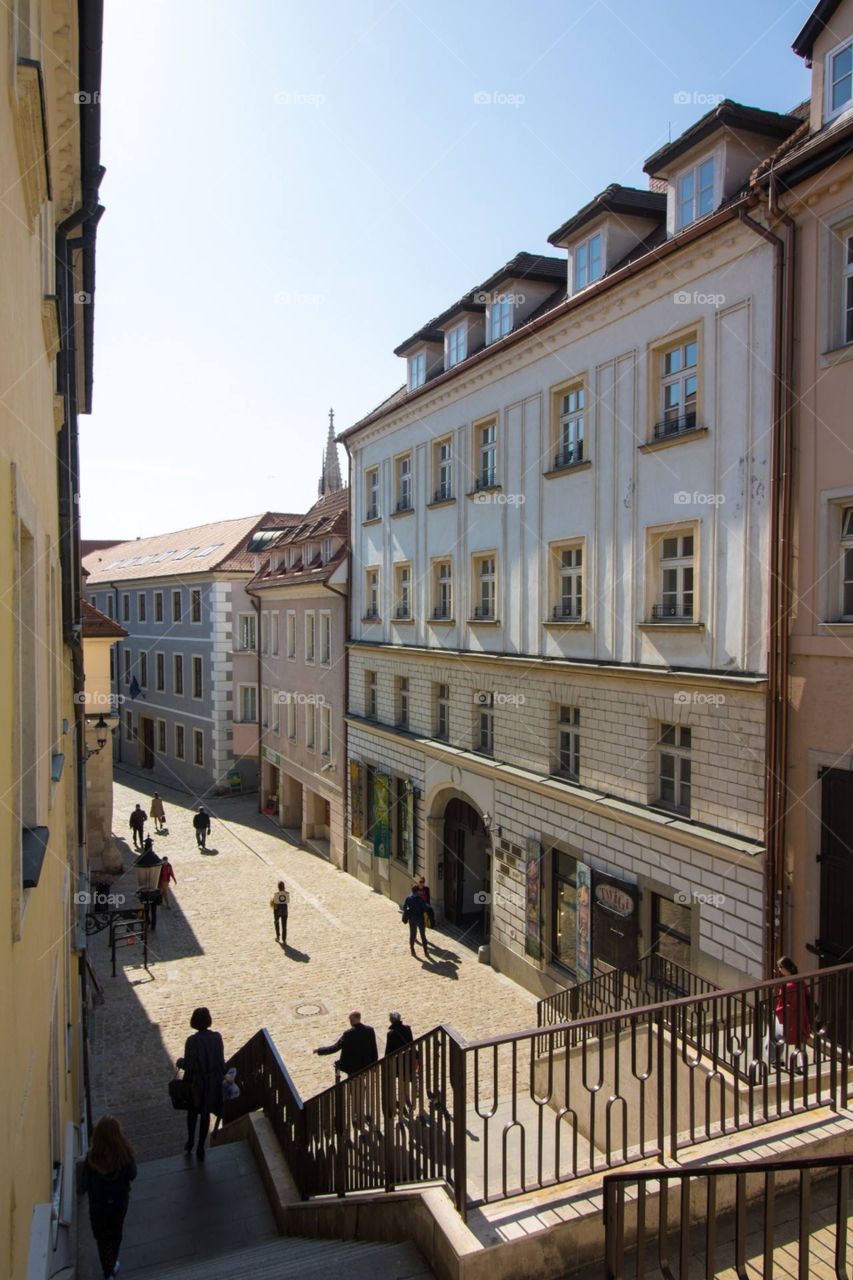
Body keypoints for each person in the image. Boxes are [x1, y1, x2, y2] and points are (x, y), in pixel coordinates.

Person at [79, 1115, 137, 1279]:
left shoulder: (91, 1158)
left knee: (102, 1239)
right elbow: (133, 1174)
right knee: (116, 1234)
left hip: (98, 1206)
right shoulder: (124, 1155)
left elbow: (83, 1184)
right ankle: (112, 1265)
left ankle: (108, 1270)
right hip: (119, 1203)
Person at [177, 1006, 226, 1160]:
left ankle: (190, 1140)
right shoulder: (217, 1038)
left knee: (192, 1113)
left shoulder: (191, 1041)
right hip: (211, 1083)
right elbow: (221, 1062)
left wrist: (180, 1062)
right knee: (205, 1115)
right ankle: (201, 1146)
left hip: (196, 1083)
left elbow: (189, 1065)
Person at [314, 1011, 378, 1078]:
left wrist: (319, 1050)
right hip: (365, 1065)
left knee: (353, 1085)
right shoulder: (370, 1030)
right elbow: (374, 1048)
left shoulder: (348, 1034)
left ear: (351, 1020)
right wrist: (375, 1063)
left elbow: (335, 1047)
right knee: (361, 1083)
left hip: (353, 1067)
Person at [774, 956, 811, 1056]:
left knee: (777, 1035)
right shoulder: (800, 981)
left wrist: (779, 1013)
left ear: (786, 968)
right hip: (801, 1015)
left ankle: (777, 1058)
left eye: (780, 967)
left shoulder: (787, 985)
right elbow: (807, 996)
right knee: (801, 1042)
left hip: (790, 1017)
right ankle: (802, 1065)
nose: (779, 970)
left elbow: (781, 1002)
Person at [402, 883, 431, 960]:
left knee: (412, 935)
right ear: (417, 891)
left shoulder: (408, 898)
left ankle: (412, 950)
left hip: (412, 919)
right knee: (423, 936)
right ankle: (425, 952)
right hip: (420, 919)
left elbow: (404, 907)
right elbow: (425, 908)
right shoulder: (420, 899)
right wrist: (427, 906)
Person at [270, 880, 289, 945]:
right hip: (284, 911)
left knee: (276, 923)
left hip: (277, 911)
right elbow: (287, 901)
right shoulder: (286, 894)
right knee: (284, 926)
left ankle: (278, 937)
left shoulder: (276, 894)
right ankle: (284, 940)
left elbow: (274, 903)